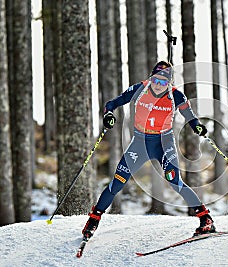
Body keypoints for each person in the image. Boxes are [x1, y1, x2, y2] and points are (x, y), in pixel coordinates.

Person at [82, 61, 216, 238]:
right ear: (151, 77)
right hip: (140, 143)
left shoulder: (176, 95)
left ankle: (205, 219)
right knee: (118, 182)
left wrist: (197, 126)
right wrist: (108, 115)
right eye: (156, 80)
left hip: (164, 143)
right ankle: (93, 220)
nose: (158, 85)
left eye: (163, 82)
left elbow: (190, 116)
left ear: (169, 83)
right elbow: (112, 103)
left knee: (175, 182)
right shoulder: (140, 88)